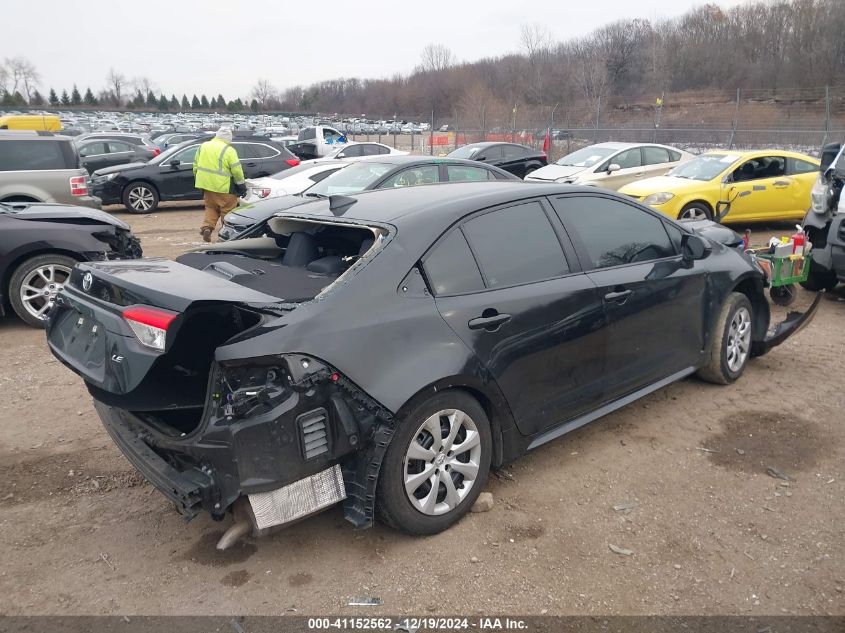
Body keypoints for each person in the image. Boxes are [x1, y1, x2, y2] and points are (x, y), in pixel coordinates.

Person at [193, 127, 246, 242]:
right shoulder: (229, 150)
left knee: (211, 208)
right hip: (224, 187)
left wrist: (200, 179)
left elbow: (195, 166)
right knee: (227, 211)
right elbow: (237, 170)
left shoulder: (203, 146)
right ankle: (226, 234)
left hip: (206, 185)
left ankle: (207, 227)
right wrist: (241, 185)